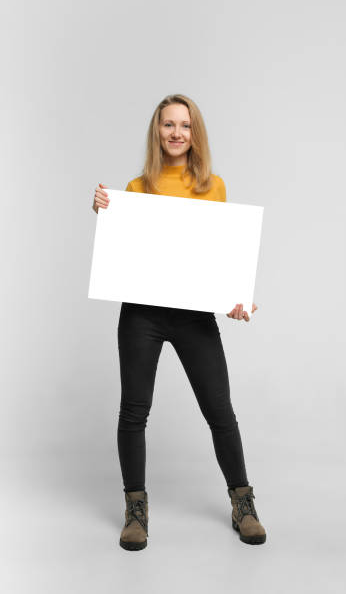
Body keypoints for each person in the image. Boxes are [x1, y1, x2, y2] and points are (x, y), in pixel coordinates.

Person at [92, 94, 266, 551]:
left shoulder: (214, 186)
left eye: (184, 126)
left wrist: (235, 299)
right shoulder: (136, 185)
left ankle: (242, 502)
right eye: (168, 125)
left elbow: (222, 257)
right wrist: (106, 215)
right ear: (157, 132)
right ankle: (135, 510)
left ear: (195, 134)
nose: (175, 133)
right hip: (142, 315)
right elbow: (125, 252)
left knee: (219, 411)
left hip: (193, 317)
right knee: (134, 411)